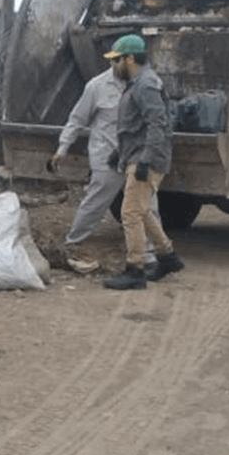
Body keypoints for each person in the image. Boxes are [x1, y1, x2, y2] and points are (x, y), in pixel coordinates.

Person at [47, 68, 161, 274]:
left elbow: (156, 121)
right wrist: (62, 149)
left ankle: (150, 256)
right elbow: (77, 119)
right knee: (97, 200)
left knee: (146, 206)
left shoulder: (148, 84)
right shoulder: (96, 86)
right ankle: (73, 242)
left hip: (136, 156)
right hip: (106, 157)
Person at [101, 34, 185, 290]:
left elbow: (157, 124)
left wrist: (145, 161)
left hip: (145, 159)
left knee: (130, 213)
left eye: (116, 60)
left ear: (129, 59)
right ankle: (168, 257)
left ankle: (135, 270)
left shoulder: (145, 85)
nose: (113, 66)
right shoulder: (136, 83)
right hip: (136, 155)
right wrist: (120, 152)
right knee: (143, 210)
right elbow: (135, 127)